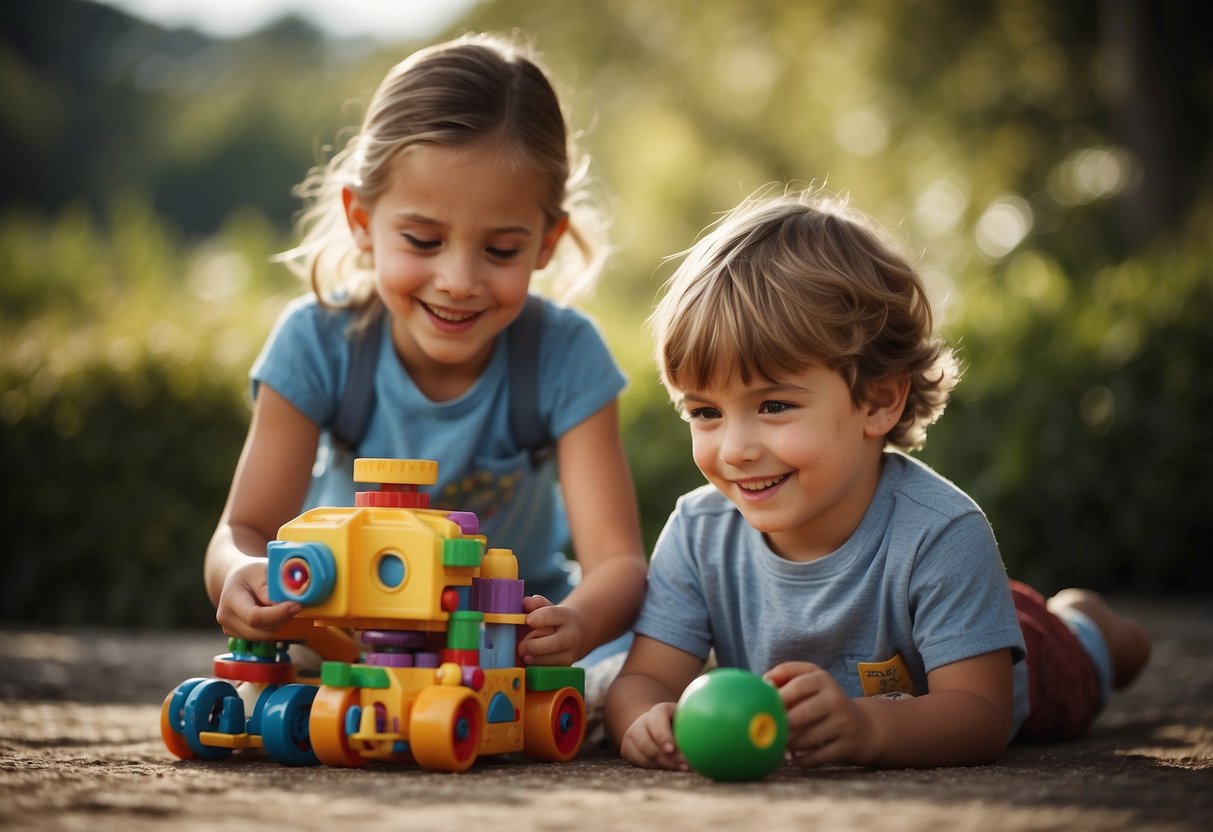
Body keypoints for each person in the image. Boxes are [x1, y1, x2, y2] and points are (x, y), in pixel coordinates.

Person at [604, 187, 1151, 769]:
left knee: (1075, 655)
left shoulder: (942, 532)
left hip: (1028, 669)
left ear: (879, 401)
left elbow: (979, 714)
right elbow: (643, 679)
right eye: (706, 413)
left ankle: (1093, 628)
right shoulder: (697, 532)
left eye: (774, 406)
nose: (735, 450)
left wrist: (867, 726)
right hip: (943, 622)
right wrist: (645, 721)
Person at [204, 33, 647, 687]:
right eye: (422, 240)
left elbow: (617, 563)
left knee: (625, 677)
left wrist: (575, 622)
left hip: (506, 645)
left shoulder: (563, 354)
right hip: (348, 637)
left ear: (547, 241)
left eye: (500, 250)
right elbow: (244, 528)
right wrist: (241, 574)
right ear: (361, 219)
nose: (458, 280)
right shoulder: (318, 344)